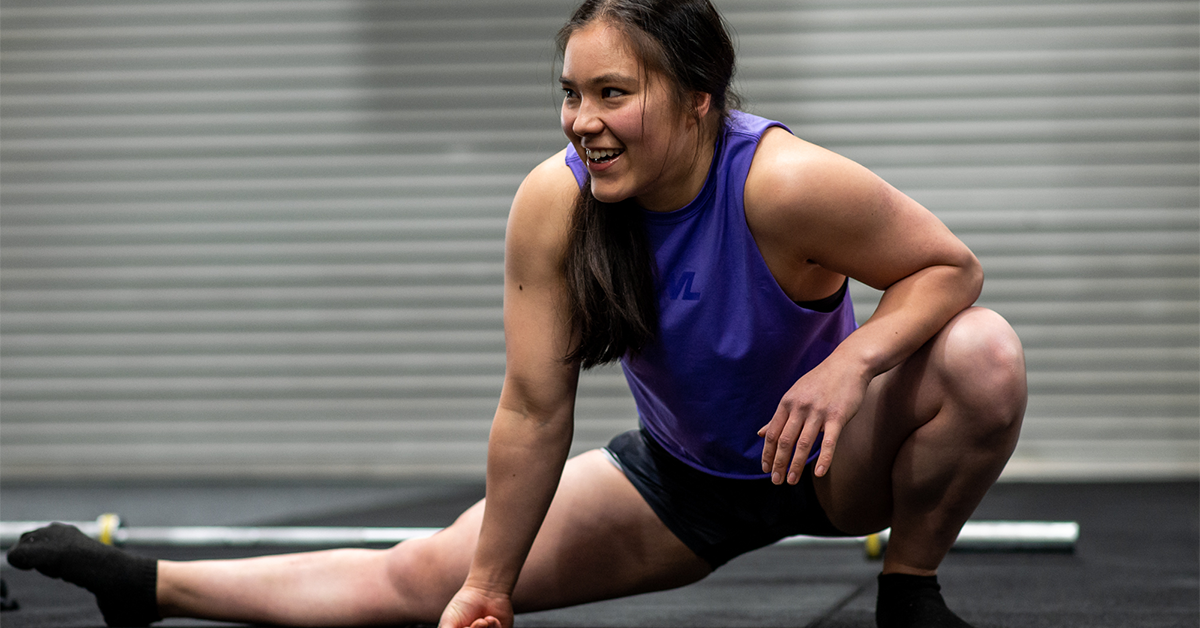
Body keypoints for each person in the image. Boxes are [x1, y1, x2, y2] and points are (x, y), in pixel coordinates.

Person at [5, 1, 1027, 627]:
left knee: (981, 353)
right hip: (683, 481)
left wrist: (852, 364)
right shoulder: (557, 197)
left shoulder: (790, 184)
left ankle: (909, 589)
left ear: (698, 99)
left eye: (615, 94)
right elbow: (536, 410)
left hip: (828, 458)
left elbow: (951, 268)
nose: (584, 122)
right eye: (571, 92)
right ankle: (153, 590)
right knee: (424, 576)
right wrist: (488, 587)